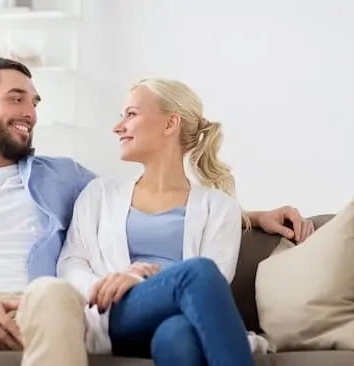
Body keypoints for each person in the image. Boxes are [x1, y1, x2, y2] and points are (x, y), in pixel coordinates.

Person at [0, 57, 314, 366]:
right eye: (17, 98)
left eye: (34, 103)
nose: (31, 113)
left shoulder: (65, 177)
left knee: (60, 296)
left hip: (35, 305)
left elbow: (156, 197)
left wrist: (250, 216)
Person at [56, 78, 286, 365]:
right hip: (115, 312)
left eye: (131, 114)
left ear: (169, 124)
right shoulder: (99, 194)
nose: (118, 127)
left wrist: (143, 275)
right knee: (197, 271)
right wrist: (102, 287)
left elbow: (216, 282)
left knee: (179, 337)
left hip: (180, 317)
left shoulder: (220, 208)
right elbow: (70, 262)